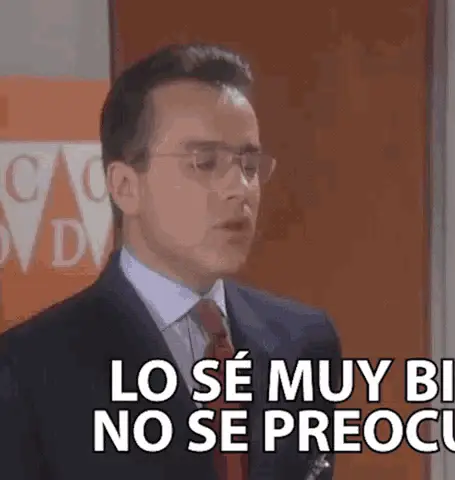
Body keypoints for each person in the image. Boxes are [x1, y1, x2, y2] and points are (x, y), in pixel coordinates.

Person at [0, 43, 341, 480]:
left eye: (249, 164)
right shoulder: (30, 369)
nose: (239, 189)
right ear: (125, 186)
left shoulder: (305, 342)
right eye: (205, 162)